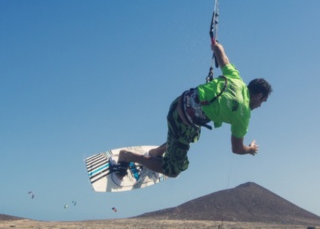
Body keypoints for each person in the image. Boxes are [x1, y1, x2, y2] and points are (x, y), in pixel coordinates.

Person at [115, 41, 272, 178]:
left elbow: (221, 54)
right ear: (258, 95)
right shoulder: (243, 115)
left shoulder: (236, 78)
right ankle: (128, 157)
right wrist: (250, 149)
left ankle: (156, 153)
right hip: (182, 122)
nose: (260, 106)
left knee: (193, 133)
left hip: (178, 104)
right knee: (173, 171)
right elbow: (237, 149)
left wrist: (217, 46)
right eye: (262, 101)